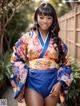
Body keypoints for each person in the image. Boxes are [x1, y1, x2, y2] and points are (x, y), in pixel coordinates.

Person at [10, 2, 73, 106]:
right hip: (32, 82)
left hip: (52, 82)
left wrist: (59, 83)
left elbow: (67, 65)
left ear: (53, 20)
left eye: (49, 18)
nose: (45, 21)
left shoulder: (58, 41)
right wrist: (24, 74)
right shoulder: (26, 38)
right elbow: (15, 60)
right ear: (36, 18)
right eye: (41, 17)